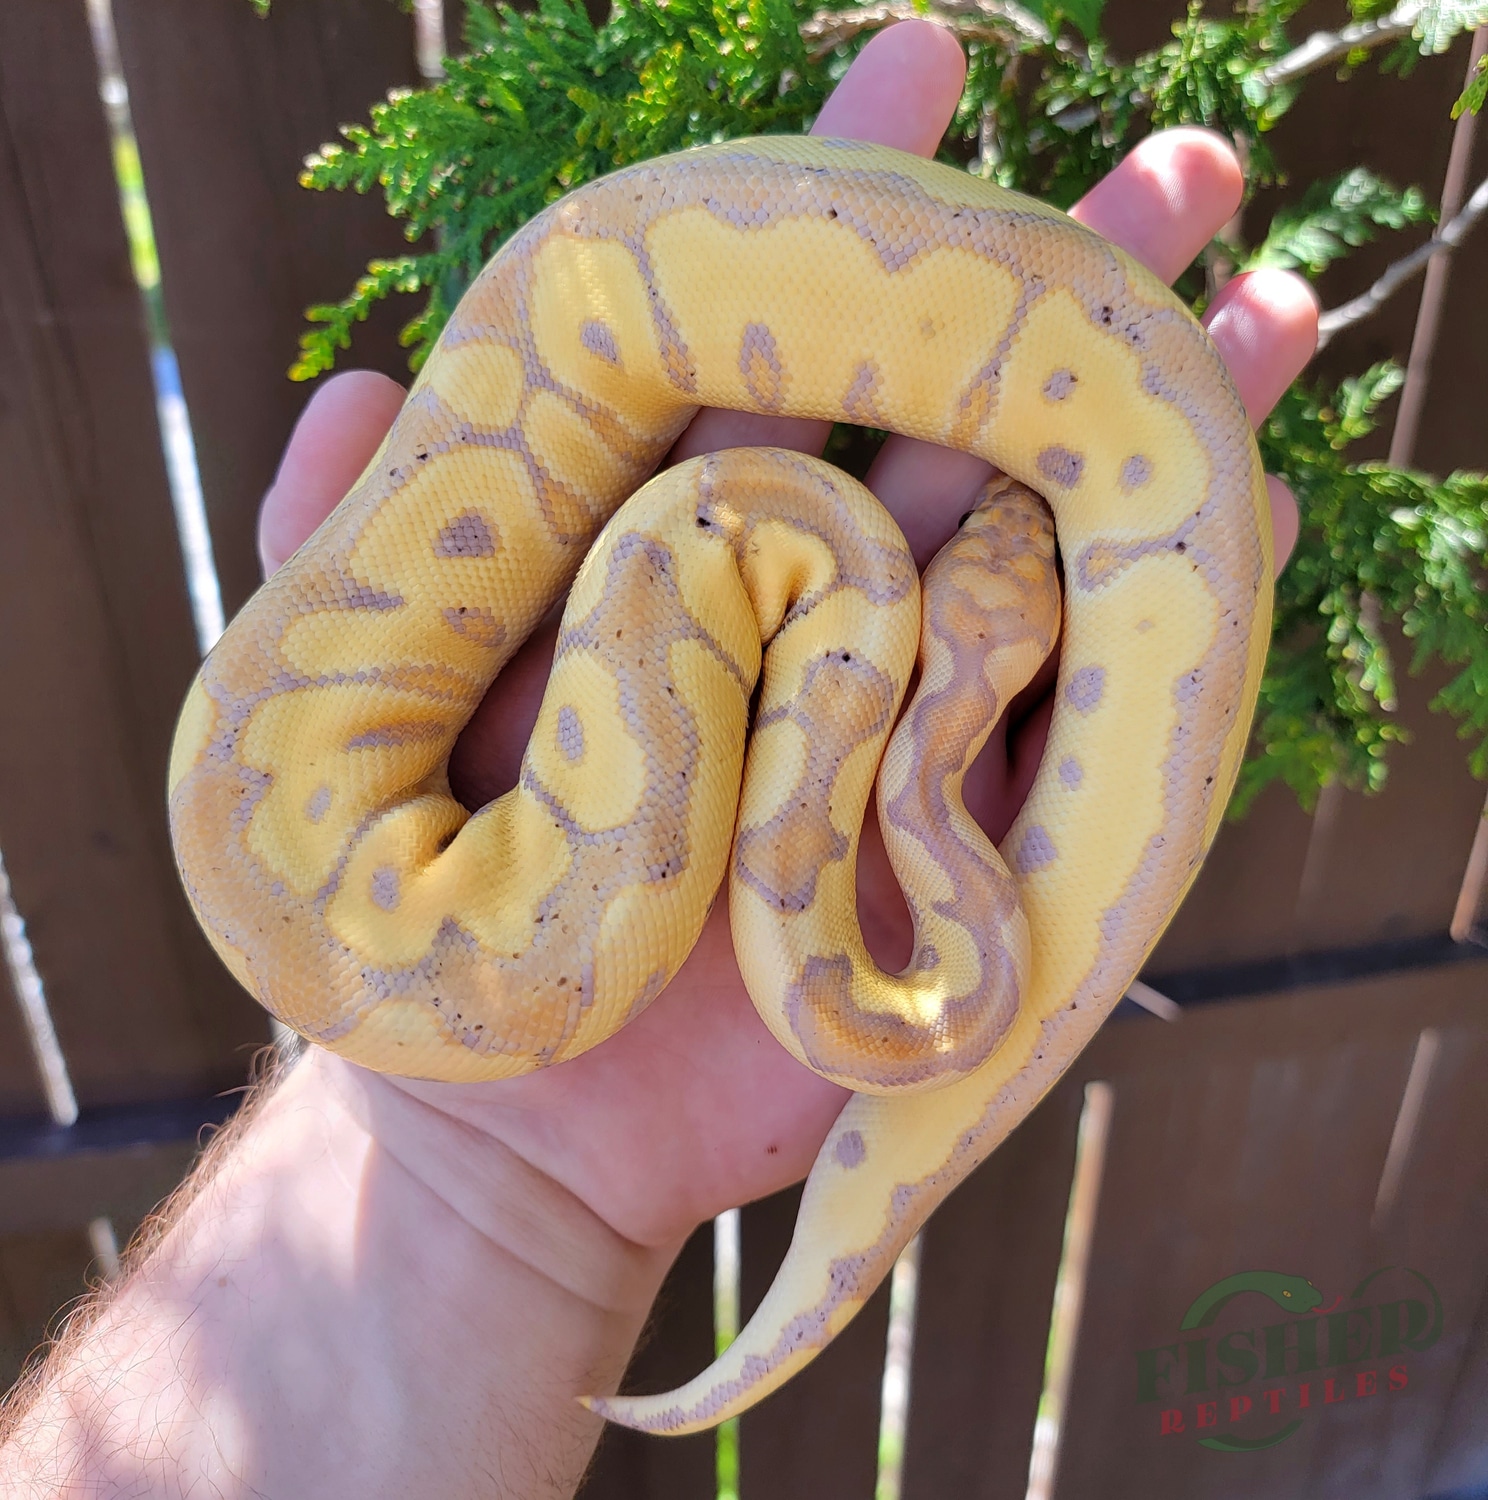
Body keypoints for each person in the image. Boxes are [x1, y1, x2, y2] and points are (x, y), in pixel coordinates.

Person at [0, 19, 1316, 1497]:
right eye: (1033, 542)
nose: (1020, 518)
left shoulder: (834, 598)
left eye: (1029, 541)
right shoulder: (842, 613)